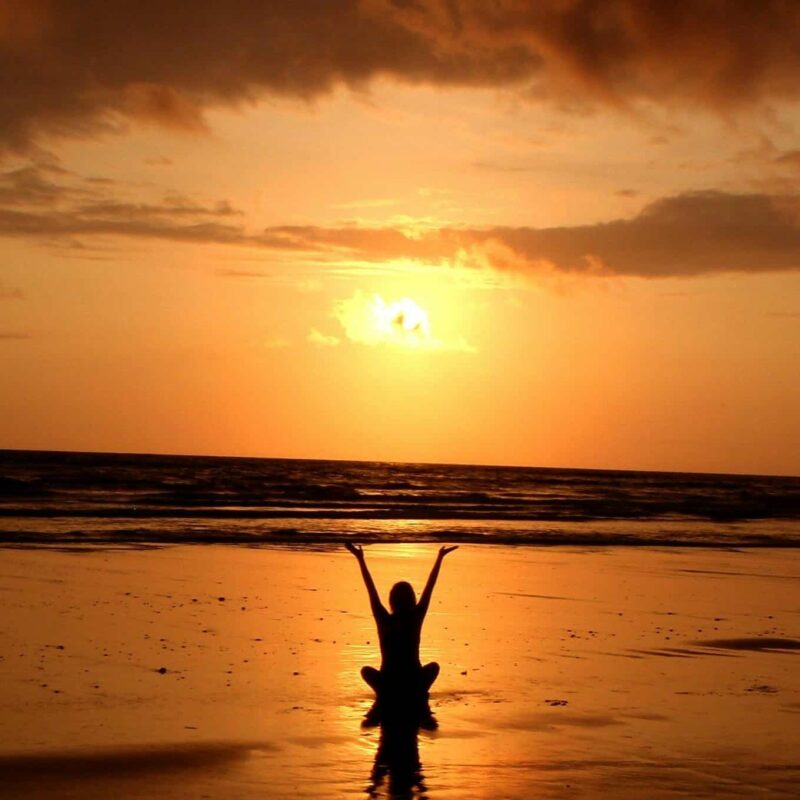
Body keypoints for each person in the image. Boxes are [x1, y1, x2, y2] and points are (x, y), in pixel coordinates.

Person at [345, 542, 458, 723]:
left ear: (392, 600)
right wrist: (439, 558)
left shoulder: (384, 619)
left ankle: (394, 694)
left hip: (388, 682)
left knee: (366, 671)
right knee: (434, 667)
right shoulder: (415, 617)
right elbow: (429, 588)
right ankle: (416, 693)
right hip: (413, 680)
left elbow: (371, 590)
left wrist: (360, 559)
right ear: (412, 599)